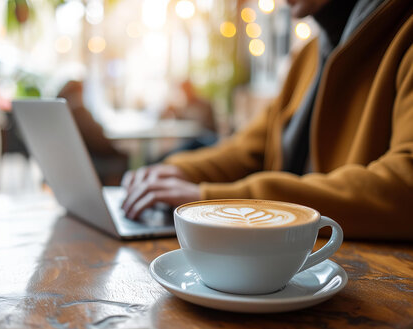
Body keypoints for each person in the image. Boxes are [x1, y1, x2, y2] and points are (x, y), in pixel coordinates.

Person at [122, 0, 413, 240]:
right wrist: (175, 175)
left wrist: (216, 200)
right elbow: (251, 148)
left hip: (367, 277)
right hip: (289, 259)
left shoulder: (404, 34)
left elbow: (405, 186)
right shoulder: (309, 54)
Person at [58, 80, 128, 185]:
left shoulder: (63, 112)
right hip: (98, 160)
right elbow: (101, 141)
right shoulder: (80, 112)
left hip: (81, 161)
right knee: (125, 156)